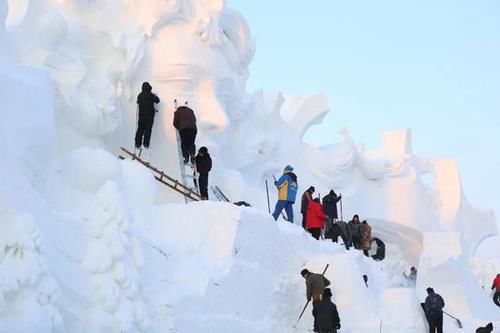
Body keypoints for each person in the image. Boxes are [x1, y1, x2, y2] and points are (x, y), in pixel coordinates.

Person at [135, 82, 160, 155]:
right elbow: (157, 101)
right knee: (148, 130)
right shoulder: (150, 94)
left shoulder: (139, 95)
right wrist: (155, 96)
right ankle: (146, 143)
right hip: (149, 116)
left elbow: (138, 102)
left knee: (140, 129)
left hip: (141, 116)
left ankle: (137, 143)